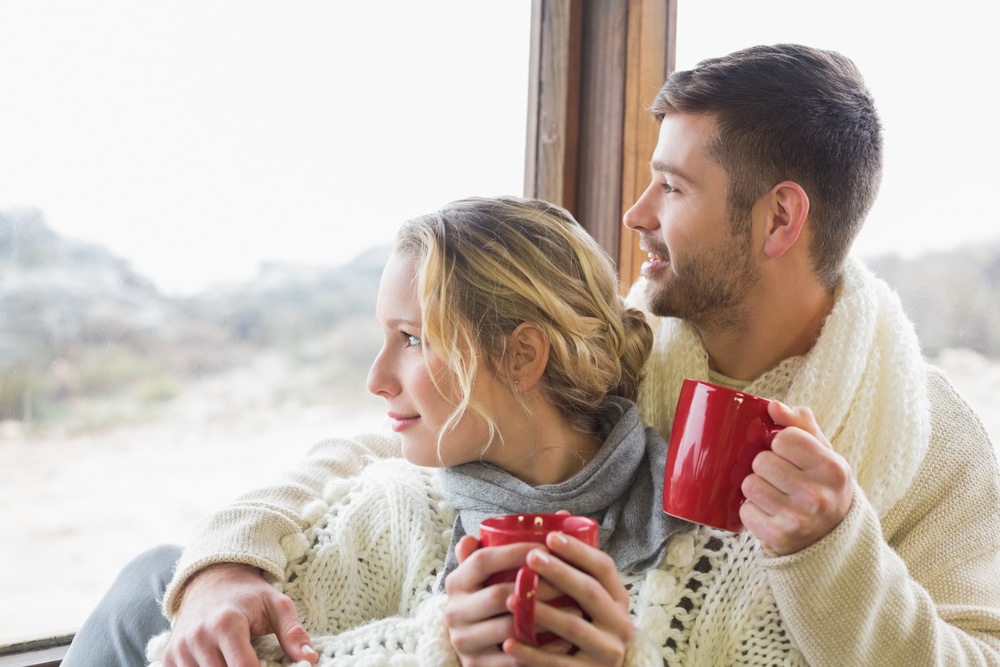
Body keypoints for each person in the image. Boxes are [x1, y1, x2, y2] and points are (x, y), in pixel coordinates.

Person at [64, 43, 1000, 666]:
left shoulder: (926, 434)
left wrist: (834, 551)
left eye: (671, 187)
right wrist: (228, 561)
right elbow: (394, 444)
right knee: (153, 576)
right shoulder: (633, 351)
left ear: (780, 218)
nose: (635, 216)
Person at [130, 195, 690, 666]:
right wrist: (217, 570)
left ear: (522, 355)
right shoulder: (386, 511)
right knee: (149, 578)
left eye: (413, 338)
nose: (375, 379)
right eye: (386, 335)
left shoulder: (695, 536)